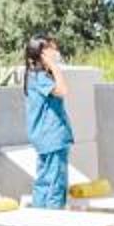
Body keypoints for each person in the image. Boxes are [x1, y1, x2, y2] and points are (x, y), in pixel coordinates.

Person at [22, 35, 75, 209]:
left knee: (44, 181)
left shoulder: (35, 76)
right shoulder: (39, 77)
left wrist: (51, 67)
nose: (56, 51)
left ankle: (40, 219)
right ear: (42, 53)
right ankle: (55, 219)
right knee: (55, 183)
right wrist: (54, 66)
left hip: (45, 136)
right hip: (52, 136)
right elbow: (62, 90)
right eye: (52, 48)